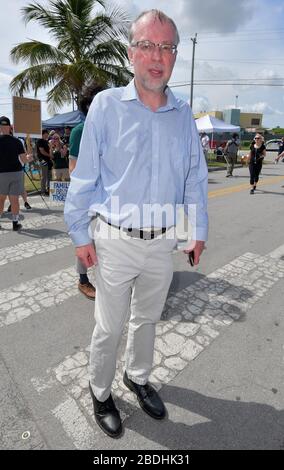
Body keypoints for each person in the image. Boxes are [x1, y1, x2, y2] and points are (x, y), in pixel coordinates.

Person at [64, 9, 208, 438]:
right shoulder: (107, 107)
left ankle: (138, 377)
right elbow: (84, 176)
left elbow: (195, 177)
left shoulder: (183, 114)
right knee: (109, 325)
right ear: (131, 53)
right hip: (114, 239)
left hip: (162, 241)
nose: (157, 56)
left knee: (147, 318)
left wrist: (196, 230)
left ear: (175, 56)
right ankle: (100, 389)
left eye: (166, 47)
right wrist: (78, 234)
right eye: (147, 45)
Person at [68, 84, 104, 300]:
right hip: (89, 198)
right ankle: (83, 279)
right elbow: (73, 168)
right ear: (87, 107)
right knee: (86, 239)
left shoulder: (113, 128)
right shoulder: (79, 132)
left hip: (112, 198)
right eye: (94, 103)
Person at [0, 116, 32, 230]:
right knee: (14, 200)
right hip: (15, 173)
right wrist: (29, 157)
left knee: (1, 199)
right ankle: (15, 223)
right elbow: (24, 160)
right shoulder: (17, 141)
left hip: (1, 174)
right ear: (10, 127)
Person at [37, 129, 53, 195]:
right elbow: (42, 151)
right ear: (43, 134)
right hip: (43, 160)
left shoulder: (46, 141)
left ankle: (49, 190)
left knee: (49, 176)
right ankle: (43, 191)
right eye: (47, 133)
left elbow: (50, 149)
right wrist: (49, 155)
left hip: (48, 160)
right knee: (44, 176)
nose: (48, 135)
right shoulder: (40, 141)